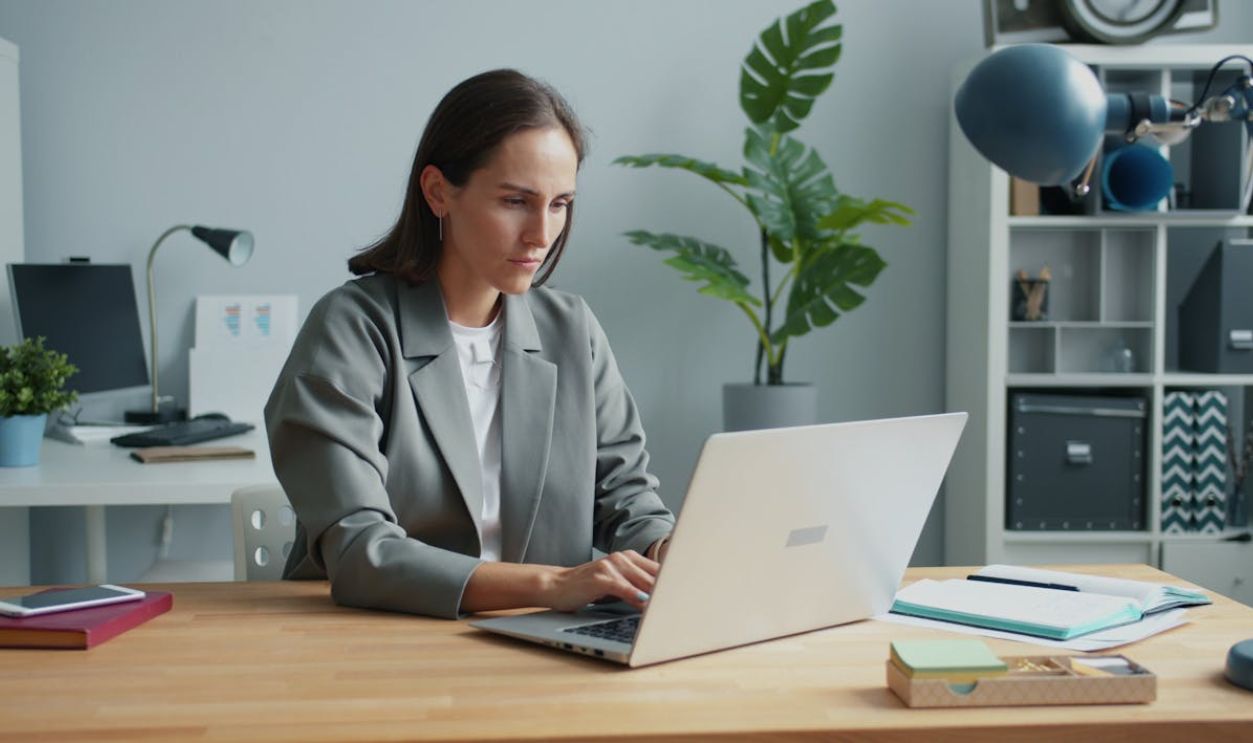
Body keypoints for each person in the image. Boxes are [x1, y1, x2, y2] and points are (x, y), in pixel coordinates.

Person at [264, 69, 675, 620]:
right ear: (438, 192)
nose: (542, 234)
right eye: (515, 201)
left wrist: (670, 554)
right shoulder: (350, 329)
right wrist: (554, 584)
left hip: (536, 644)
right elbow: (361, 552)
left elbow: (628, 501)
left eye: (560, 204)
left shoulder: (572, 329)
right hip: (376, 643)